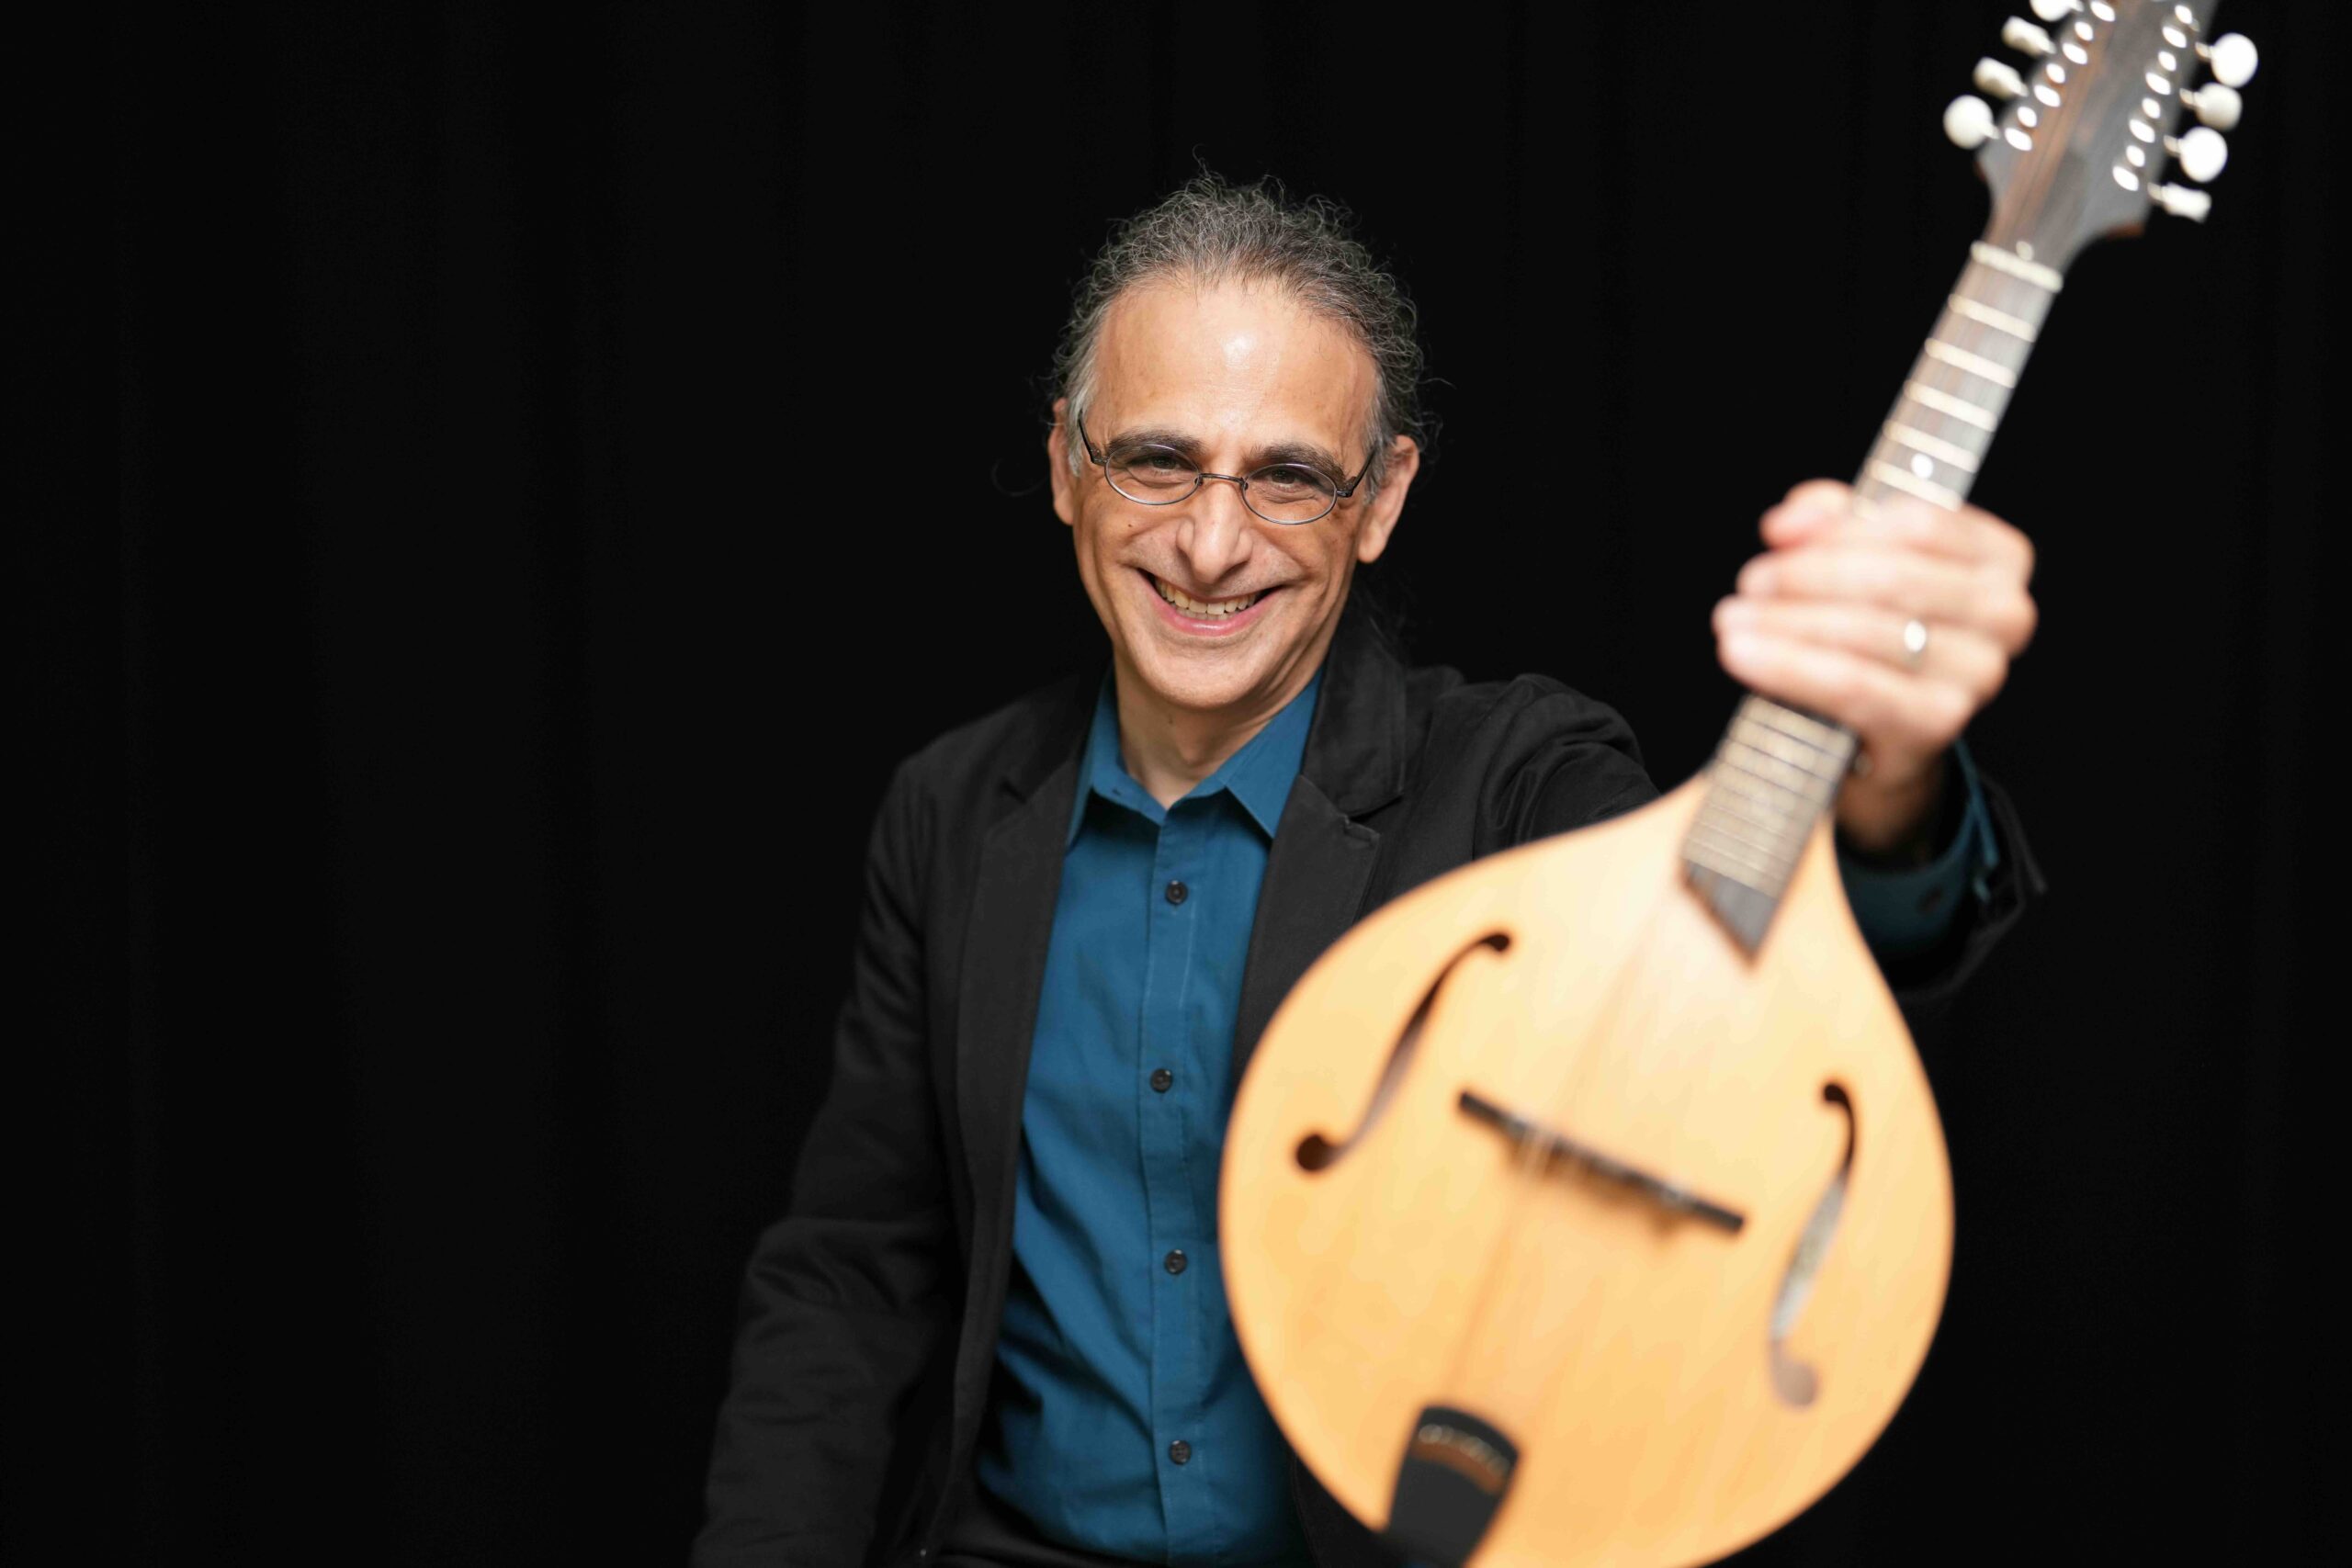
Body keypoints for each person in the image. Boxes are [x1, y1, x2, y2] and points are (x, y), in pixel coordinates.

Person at [693, 176, 2040, 1568]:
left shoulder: (1518, 780)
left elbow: (1729, 994)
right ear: (1064, 467)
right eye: (1157, 461)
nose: (1212, 545)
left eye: (1288, 478)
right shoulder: (953, 810)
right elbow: (853, 1269)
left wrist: (1887, 775)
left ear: (1382, 497)